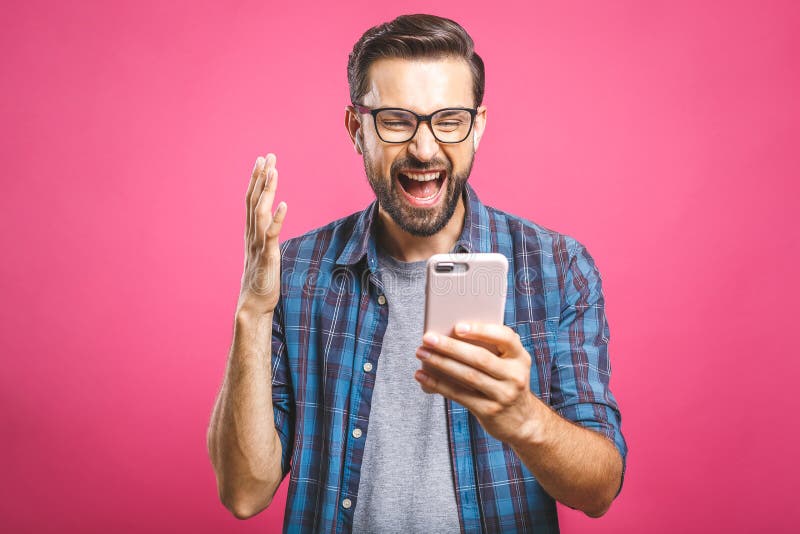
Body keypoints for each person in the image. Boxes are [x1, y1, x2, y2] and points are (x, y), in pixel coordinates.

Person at [207, 13, 627, 533]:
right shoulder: (294, 273)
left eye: (448, 120)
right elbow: (245, 492)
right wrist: (252, 311)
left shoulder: (558, 268)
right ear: (355, 128)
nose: (425, 149)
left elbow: (600, 490)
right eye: (396, 120)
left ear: (478, 125)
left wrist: (523, 417)